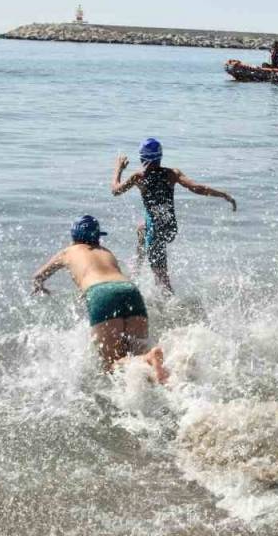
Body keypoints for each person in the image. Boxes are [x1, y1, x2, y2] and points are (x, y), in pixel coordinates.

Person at [31, 215, 168, 381]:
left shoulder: (67, 252)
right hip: (129, 290)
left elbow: (38, 276)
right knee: (137, 352)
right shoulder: (106, 251)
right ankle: (155, 369)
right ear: (97, 237)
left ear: (74, 237)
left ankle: (149, 358)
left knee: (111, 364)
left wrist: (41, 288)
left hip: (101, 293)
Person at [111, 138, 237, 294]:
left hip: (155, 233)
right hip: (170, 227)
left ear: (142, 158)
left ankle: (174, 311)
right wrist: (222, 194)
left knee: (162, 282)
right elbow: (197, 188)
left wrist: (118, 168)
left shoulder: (138, 177)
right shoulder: (172, 174)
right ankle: (135, 270)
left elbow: (115, 190)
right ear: (160, 156)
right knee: (141, 229)